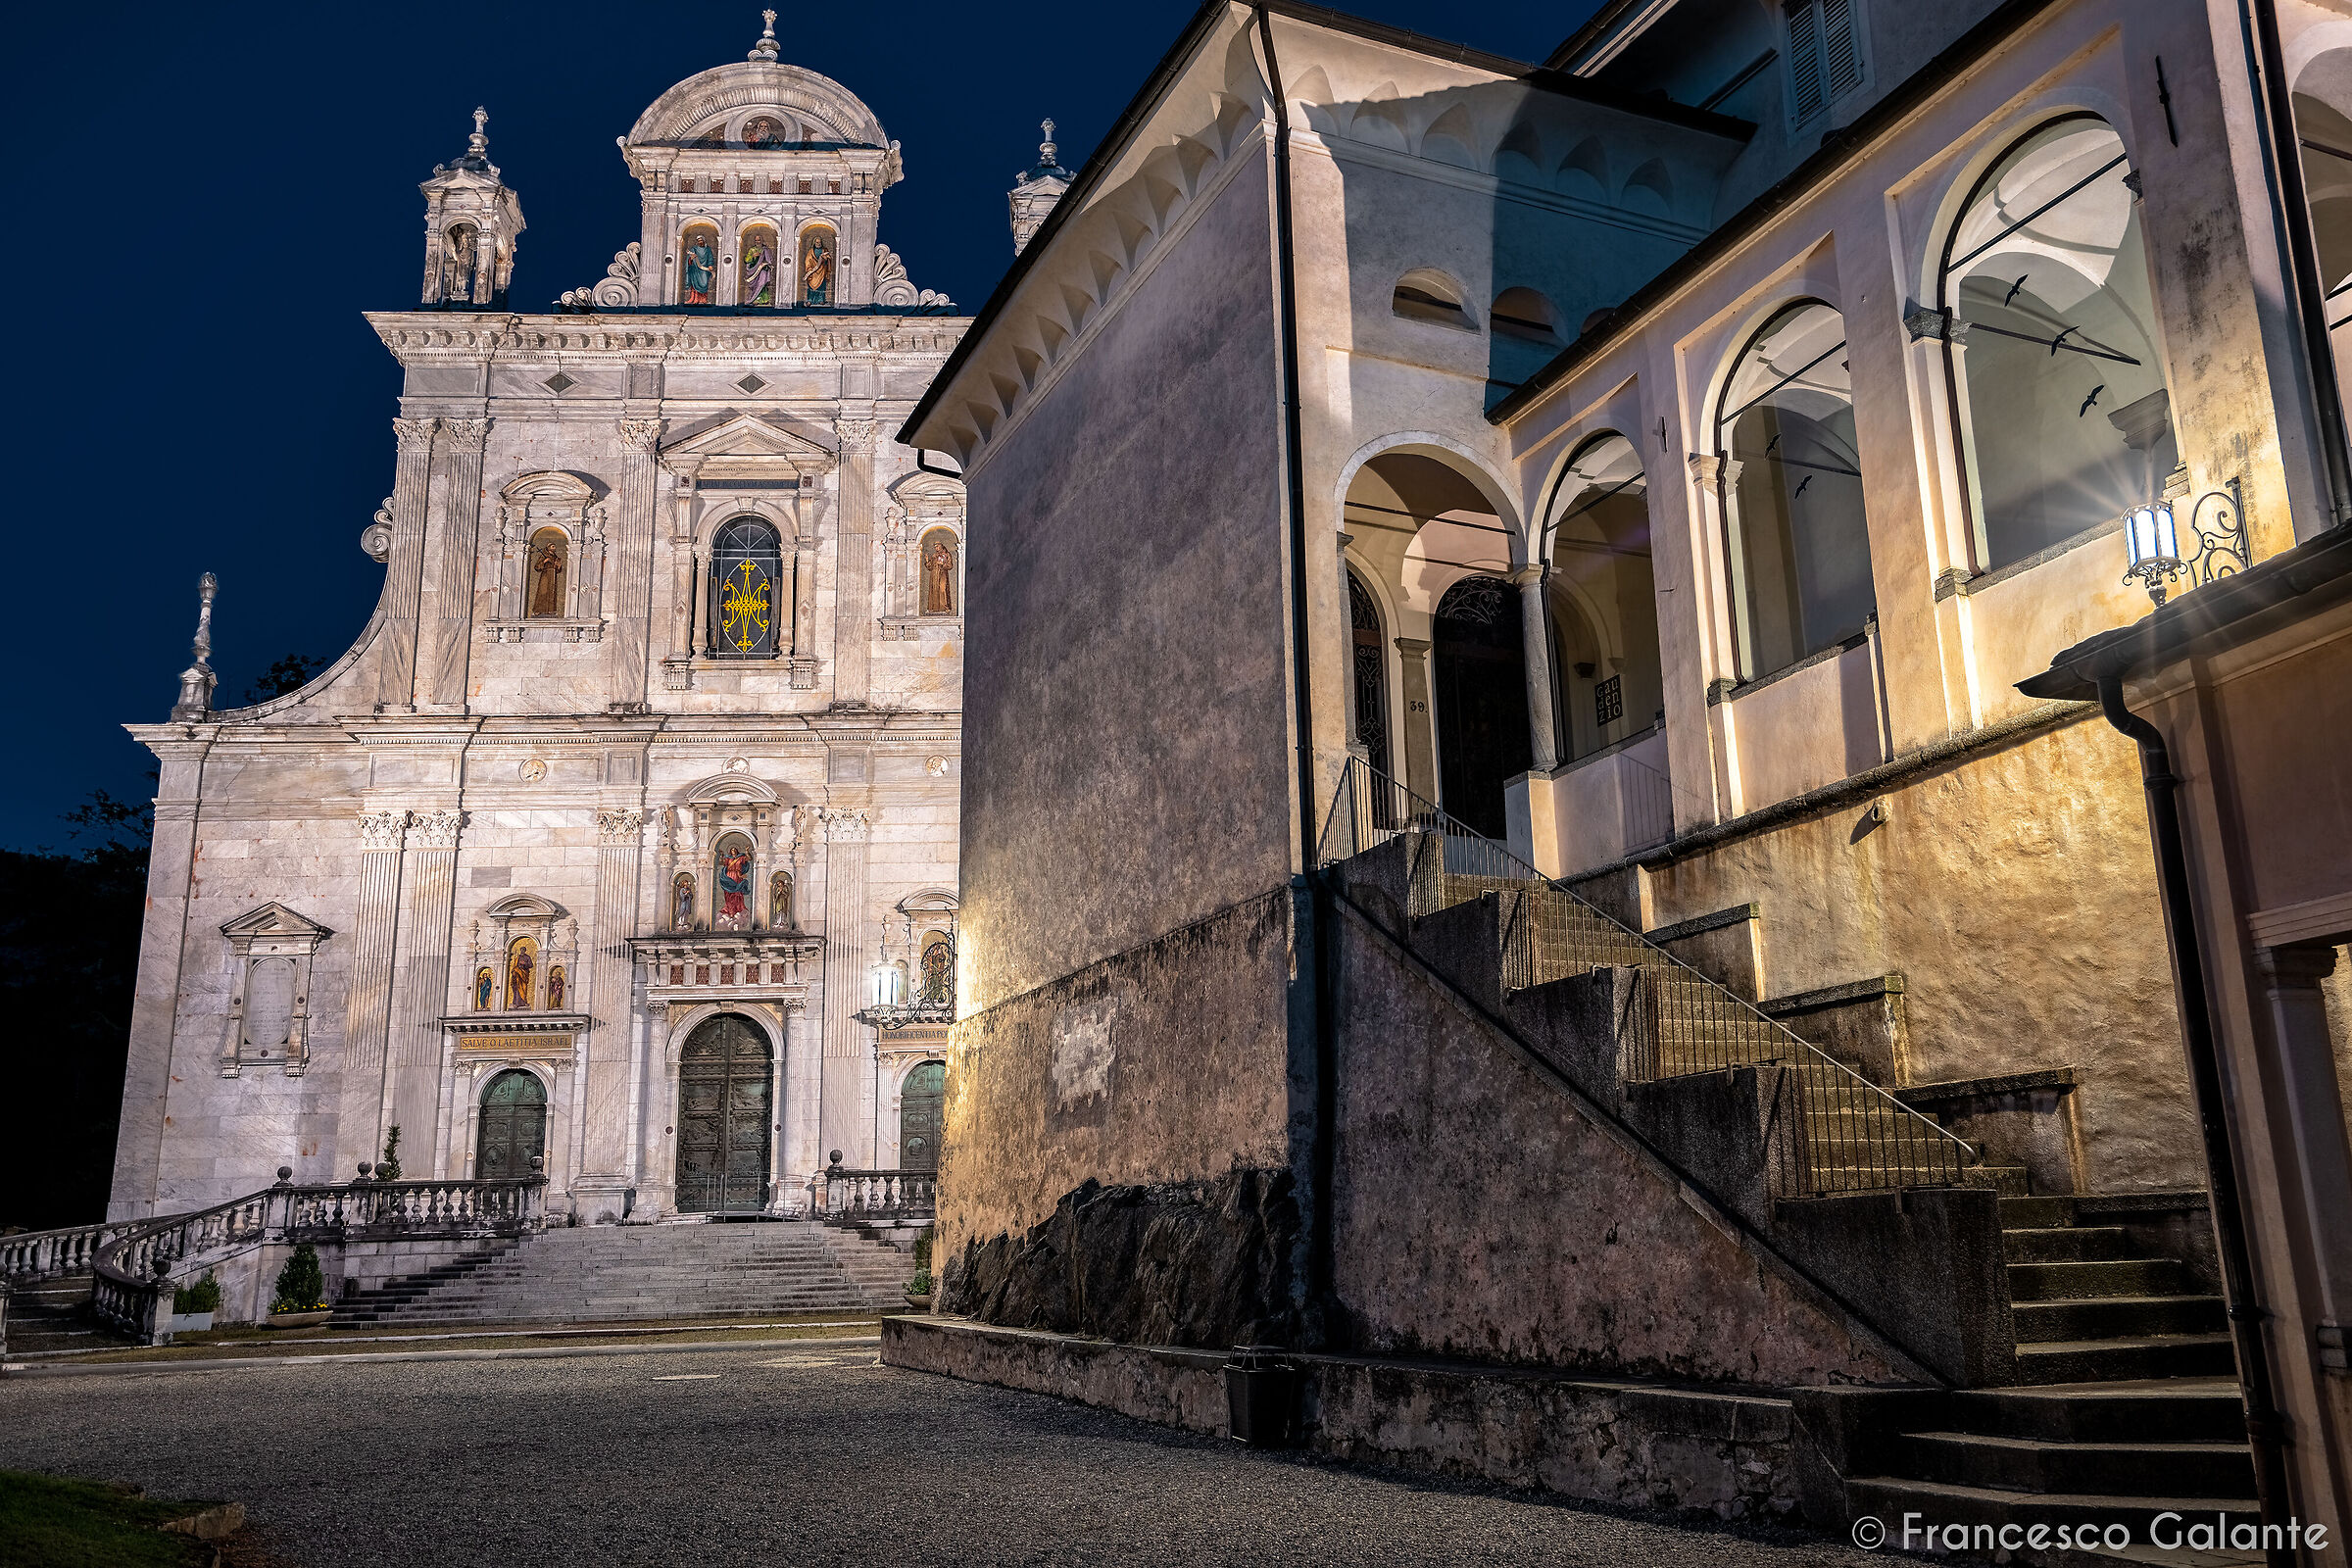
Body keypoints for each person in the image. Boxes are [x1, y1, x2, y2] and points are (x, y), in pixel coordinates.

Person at [682, 232, 716, 305]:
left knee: (704, 283)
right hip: (695, 269)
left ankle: (703, 299)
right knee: (694, 284)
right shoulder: (694, 249)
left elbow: (710, 257)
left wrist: (710, 265)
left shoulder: (708, 249)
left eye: (701, 240)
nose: (700, 242)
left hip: (704, 269)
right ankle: (694, 299)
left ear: (704, 241)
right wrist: (691, 259)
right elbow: (689, 259)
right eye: (699, 241)